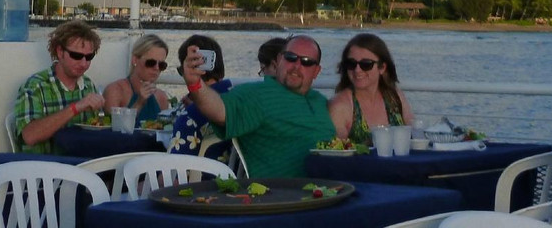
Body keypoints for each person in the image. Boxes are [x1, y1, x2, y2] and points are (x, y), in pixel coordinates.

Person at [181, 33, 335, 177]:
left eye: (307, 62)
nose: (297, 66)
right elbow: (219, 110)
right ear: (280, 60)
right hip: (285, 196)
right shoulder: (258, 95)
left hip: (332, 189)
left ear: (316, 71)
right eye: (291, 57)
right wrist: (195, 84)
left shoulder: (320, 100)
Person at [14, 20, 105, 154]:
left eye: (89, 57)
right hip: (44, 169)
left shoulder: (88, 85)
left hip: (81, 167)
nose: (84, 63)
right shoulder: (35, 86)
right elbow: (29, 136)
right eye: (76, 56)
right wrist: (76, 108)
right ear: (60, 51)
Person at [328, 33, 414, 143]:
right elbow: (338, 152)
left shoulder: (395, 97)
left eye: (366, 64)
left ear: (382, 68)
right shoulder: (340, 106)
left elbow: (414, 133)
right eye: (351, 63)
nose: (357, 70)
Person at [169, 34, 233, 160]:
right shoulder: (238, 100)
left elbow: (176, 174)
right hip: (233, 176)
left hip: (201, 178)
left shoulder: (190, 118)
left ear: (188, 69)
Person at [102, 33, 171, 127]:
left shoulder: (162, 97)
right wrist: (139, 103)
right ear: (135, 60)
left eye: (162, 65)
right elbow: (114, 131)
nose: (156, 68)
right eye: (151, 63)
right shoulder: (115, 91)